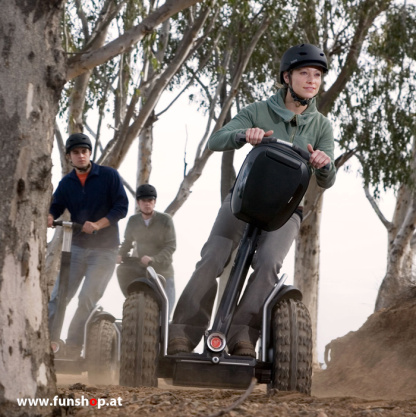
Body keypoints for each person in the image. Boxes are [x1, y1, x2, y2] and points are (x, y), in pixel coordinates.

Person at [168, 43, 337, 358]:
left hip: (286, 211)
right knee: (213, 257)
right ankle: (182, 334)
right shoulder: (258, 110)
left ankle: (242, 336)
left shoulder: (321, 126)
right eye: (305, 73)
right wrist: (244, 135)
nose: (312, 80)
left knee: (269, 263)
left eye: (317, 75)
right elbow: (217, 140)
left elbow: (328, 179)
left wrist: (325, 164)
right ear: (287, 77)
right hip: (243, 202)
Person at [48, 132, 128, 358]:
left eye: (84, 152)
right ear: (69, 157)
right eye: (76, 153)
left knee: (87, 299)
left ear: (90, 153)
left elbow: (121, 207)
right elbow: (56, 205)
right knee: (58, 296)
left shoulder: (109, 176)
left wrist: (98, 224)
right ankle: (49, 343)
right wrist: (49, 215)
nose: (81, 156)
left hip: (105, 251)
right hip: (76, 248)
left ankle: (73, 346)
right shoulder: (67, 183)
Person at [117, 184, 177, 317]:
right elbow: (127, 242)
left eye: (150, 200)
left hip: (163, 273)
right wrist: (120, 254)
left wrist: (154, 259)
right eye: (144, 201)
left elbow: (171, 246)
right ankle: (131, 301)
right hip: (143, 272)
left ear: (154, 202)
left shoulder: (165, 220)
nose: (147, 204)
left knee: (164, 317)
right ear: (138, 203)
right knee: (122, 270)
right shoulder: (133, 221)